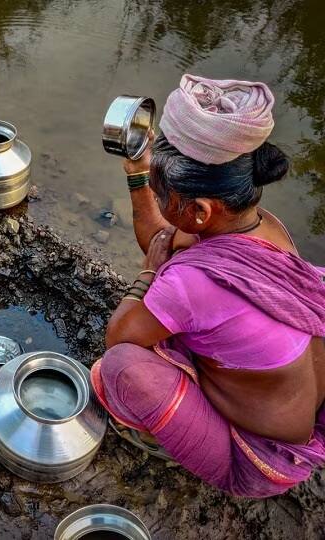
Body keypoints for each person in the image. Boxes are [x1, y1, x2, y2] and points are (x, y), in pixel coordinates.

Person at [92, 75, 325, 498]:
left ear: (199, 211)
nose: (159, 202)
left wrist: (147, 274)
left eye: (163, 195)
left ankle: (181, 440)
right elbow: (164, 239)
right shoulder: (262, 228)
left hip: (259, 459)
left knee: (120, 367)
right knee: (173, 316)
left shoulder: (194, 281)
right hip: (294, 418)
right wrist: (139, 175)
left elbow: (118, 336)